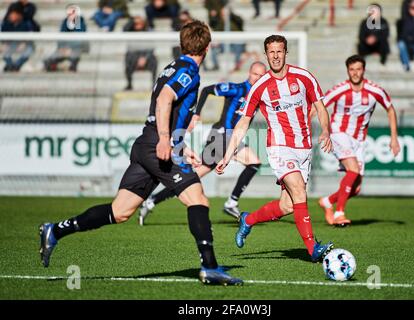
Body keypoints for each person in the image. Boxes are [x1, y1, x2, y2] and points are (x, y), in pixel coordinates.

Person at [39, 21, 243, 286]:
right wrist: (166, 140)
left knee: (120, 211)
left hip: (148, 143)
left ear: (183, 43)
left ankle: (54, 230)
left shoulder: (174, 66)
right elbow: (164, 100)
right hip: (157, 144)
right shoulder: (188, 71)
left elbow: (169, 109)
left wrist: (180, 146)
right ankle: (210, 267)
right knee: (198, 200)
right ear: (207, 47)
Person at [216, 35, 334, 263]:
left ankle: (247, 220)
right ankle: (313, 249)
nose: (276, 56)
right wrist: (228, 155)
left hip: (304, 148)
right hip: (279, 148)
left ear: (286, 52)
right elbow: (243, 123)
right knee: (299, 191)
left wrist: (326, 130)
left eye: (280, 51)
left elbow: (320, 107)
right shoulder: (259, 87)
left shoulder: (304, 77)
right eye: (271, 52)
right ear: (266, 54)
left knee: (288, 205)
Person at [139, 61, 267, 225]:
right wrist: (196, 115)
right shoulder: (237, 89)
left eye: (262, 76)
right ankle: (232, 202)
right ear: (249, 73)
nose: (258, 78)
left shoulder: (260, 95)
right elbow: (207, 90)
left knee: (191, 177)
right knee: (254, 162)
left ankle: (152, 200)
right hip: (221, 136)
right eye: (255, 74)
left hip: (227, 139)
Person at [317, 55, 400, 226]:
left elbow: (390, 110)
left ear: (364, 70)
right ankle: (339, 213)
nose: (355, 73)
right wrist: (317, 128)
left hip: (359, 140)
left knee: (355, 189)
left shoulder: (375, 90)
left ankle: (327, 201)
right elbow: (319, 106)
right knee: (353, 170)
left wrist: (394, 138)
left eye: (358, 69)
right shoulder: (339, 89)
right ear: (348, 71)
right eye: (352, 69)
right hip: (339, 133)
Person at [44, 5, 88, 72]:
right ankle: (54, 67)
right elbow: (61, 36)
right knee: (48, 60)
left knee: (74, 56)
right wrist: (62, 48)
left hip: (76, 48)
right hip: (64, 48)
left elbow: (79, 39)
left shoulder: (79, 21)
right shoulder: (65, 21)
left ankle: (72, 68)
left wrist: (69, 48)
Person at [123, 16, 158, 90]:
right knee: (128, 57)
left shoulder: (148, 32)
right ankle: (129, 84)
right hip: (134, 57)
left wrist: (144, 58)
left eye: (139, 23)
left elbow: (151, 48)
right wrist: (132, 20)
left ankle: (154, 84)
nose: (137, 25)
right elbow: (124, 29)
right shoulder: (130, 32)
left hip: (146, 56)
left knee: (154, 59)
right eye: (136, 23)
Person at [1, 7, 35, 72]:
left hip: (22, 45)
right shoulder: (5, 24)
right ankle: (10, 65)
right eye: (11, 14)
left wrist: (24, 43)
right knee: (5, 51)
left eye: (14, 14)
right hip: (10, 45)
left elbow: (29, 37)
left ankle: (16, 65)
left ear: (19, 15)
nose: (12, 16)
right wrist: (5, 44)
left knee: (29, 50)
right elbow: (3, 38)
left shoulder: (26, 24)